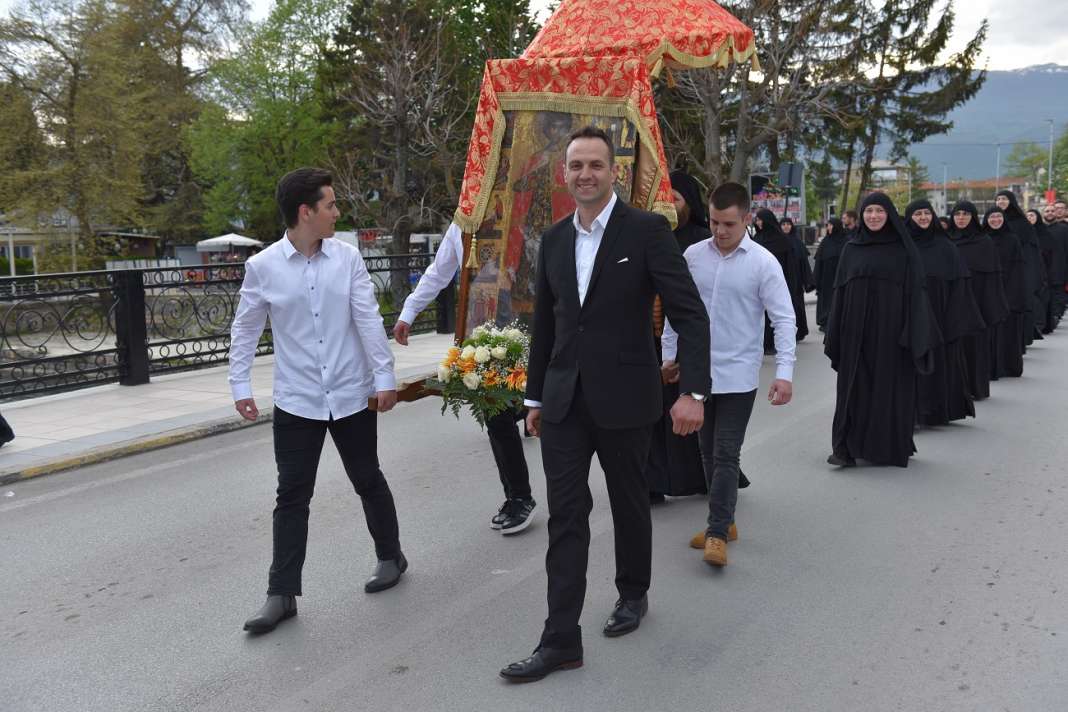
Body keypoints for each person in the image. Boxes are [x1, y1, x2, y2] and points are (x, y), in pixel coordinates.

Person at [500, 126, 710, 683]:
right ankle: (560, 640)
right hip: (565, 403)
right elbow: (548, 326)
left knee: (629, 502)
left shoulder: (647, 231)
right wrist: (535, 397)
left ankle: (633, 592)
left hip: (627, 399)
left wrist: (693, 391)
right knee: (566, 516)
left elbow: (689, 313)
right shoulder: (555, 239)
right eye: (576, 166)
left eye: (596, 164)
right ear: (564, 173)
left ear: (613, 171)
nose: (585, 174)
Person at [230, 168, 405, 635]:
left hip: (350, 392)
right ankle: (281, 594)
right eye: (330, 205)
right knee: (291, 495)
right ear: (305, 212)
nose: (337, 212)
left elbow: (367, 319)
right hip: (298, 399)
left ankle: (391, 557)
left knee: (367, 477)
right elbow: (245, 329)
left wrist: (384, 378)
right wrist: (240, 386)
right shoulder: (263, 266)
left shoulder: (347, 258)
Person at [662, 182, 795, 568]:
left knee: (725, 452)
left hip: (739, 374)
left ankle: (717, 531)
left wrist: (784, 373)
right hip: (697, 373)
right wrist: (669, 355)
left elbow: (784, 319)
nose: (720, 231)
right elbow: (676, 310)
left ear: (747, 219)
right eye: (715, 222)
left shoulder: (763, 263)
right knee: (706, 452)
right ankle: (727, 521)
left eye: (729, 224)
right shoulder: (693, 256)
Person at [393, 225, 536, 535]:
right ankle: (518, 497)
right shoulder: (464, 222)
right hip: (485, 332)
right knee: (496, 414)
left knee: (542, 411)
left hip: (531, 326)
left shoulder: (526, 210)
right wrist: (408, 312)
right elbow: (438, 272)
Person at [824, 193, 937, 468]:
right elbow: (840, 293)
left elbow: (916, 296)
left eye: (879, 211)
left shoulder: (904, 250)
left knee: (888, 389)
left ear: (889, 215)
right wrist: (834, 331)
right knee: (854, 389)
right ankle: (845, 448)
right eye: (868, 211)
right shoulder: (851, 249)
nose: (873, 216)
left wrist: (911, 333)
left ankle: (886, 447)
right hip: (855, 335)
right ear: (861, 215)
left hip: (891, 335)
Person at [645, 170, 713, 502]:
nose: (670, 206)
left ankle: (698, 476)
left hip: (688, 340)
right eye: (665, 199)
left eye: (676, 199)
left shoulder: (703, 241)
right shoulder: (650, 236)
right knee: (650, 415)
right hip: (650, 339)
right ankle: (653, 482)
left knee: (686, 411)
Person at [905, 200, 985, 426]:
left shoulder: (946, 247)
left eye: (926, 213)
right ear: (909, 218)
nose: (923, 217)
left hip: (941, 313)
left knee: (941, 361)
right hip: (913, 313)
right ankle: (914, 410)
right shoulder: (904, 246)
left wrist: (956, 318)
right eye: (917, 214)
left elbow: (959, 285)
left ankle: (938, 410)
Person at [948, 201, 1009, 401]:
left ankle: (976, 388)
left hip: (978, 302)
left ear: (973, 217)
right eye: (957, 214)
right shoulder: (947, 240)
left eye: (966, 214)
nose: (961, 218)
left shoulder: (984, 242)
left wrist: (991, 306)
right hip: (954, 302)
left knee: (975, 346)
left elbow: (993, 277)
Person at [995, 190, 1044, 346]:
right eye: (998, 199)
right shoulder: (995, 220)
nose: (1000, 202)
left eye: (1004, 199)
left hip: (1019, 269)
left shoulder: (1022, 224)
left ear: (1011, 201)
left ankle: (1022, 339)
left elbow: (1030, 251)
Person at [984, 206, 1028, 379]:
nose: (995, 220)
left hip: (1010, 289)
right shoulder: (983, 239)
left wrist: (1014, 293)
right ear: (986, 219)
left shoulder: (1012, 239)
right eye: (991, 217)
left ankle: (1008, 366)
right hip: (989, 291)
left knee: (1008, 330)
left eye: (999, 217)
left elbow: (1018, 267)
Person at [752, 210, 806, 348]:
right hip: (758, 283)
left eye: (760, 219)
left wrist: (791, 286)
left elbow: (790, 267)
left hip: (778, 284)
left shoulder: (783, 241)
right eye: (756, 220)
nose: (758, 222)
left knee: (776, 315)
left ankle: (776, 344)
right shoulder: (756, 239)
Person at [1028, 208, 1065, 333]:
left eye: (1032, 215)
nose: (1030, 218)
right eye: (1027, 216)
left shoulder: (1047, 233)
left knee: (1046, 297)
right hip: (1030, 271)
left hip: (1047, 270)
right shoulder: (1023, 233)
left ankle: (1046, 321)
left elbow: (1053, 254)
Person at [781, 216, 814, 339]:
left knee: (797, 306)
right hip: (782, 280)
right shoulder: (778, 242)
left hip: (796, 281)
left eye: (788, 224)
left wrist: (808, 282)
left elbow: (804, 263)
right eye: (783, 224)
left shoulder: (797, 242)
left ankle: (798, 332)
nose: (786, 226)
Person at [813, 218, 846, 332]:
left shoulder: (846, 241)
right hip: (826, 278)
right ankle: (825, 322)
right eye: (828, 225)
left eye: (831, 225)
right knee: (826, 301)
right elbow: (819, 261)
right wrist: (816, 279)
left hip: (841, 278)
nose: (828, 227)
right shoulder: (825, 242)